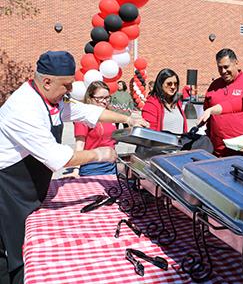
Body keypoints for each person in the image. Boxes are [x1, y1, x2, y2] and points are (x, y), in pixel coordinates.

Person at [0, 51, 148, 283]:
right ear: (47, 81)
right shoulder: (24, 108)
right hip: (10, 187)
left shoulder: (52, 98)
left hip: (30, 182)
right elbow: (57, 157)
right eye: (67, 85)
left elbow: (86, 111)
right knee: (17, 252)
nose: (70, 91)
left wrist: (129, 119)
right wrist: (98, 154)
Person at [203, 48, 243, 157]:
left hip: (242, 152)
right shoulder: (214, 86)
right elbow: (207, 114)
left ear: (236, 63)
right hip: (216, 151)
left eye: (226, 67)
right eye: (220, 68)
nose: (223, 71)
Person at [72, 81, 118, 177]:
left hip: (112, 166)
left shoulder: (109, 115)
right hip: (92, 167)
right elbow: (80, 145)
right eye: (100, 98)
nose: (105, 101)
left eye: (107, 97)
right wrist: (76, 169)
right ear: (90, 97)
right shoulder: (83, 118)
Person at [142, 68, 187, 134]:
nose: (173, 87)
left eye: (175, 84)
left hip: (180, 143)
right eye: (169, 84)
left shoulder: (177, 103)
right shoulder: (151, 105)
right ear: (161, 84)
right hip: (161, 143)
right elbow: (149, 133)